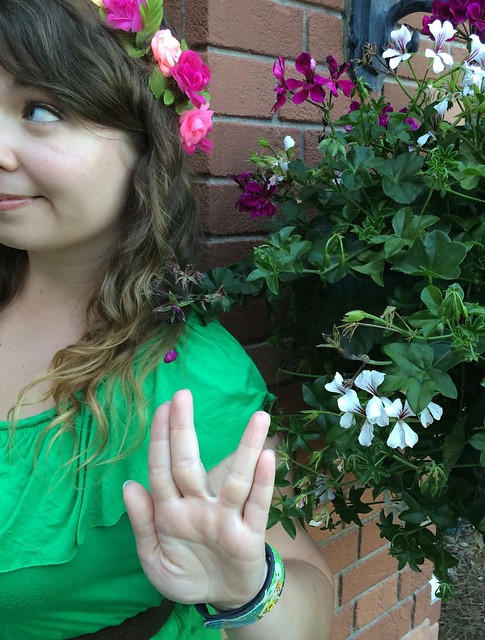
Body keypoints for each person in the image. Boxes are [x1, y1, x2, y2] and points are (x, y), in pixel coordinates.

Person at [0, 1, 334, 638]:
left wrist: (245, 589)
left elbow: (309, 607)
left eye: (39, 110)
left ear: (144, 145)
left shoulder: (191, 381)